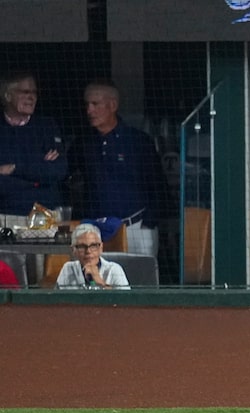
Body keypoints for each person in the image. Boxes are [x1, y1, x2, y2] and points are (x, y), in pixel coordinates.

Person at [76, 80, 168, 257]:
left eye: (95, 104)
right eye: (87, 105)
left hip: (136, 228)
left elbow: (157, 184)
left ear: (112, 105)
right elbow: (68, 174)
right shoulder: (84, 143)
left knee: (141, 283)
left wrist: (149, 222)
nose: (89, 111)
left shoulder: (138, 141)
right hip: (96, 231)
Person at [0, 72, 67, 223]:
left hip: (44, 216)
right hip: (4, 216)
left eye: (34, 92)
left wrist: (13, 169)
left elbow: (57, 171)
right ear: (8, 96)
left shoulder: (47, 126)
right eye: (25, 92)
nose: (32, 97)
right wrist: (36, 178)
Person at [56, 222, 129, 289]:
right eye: (82, 246)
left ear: (101, 248)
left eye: (93, 245)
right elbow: (57, 300)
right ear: (73, 250)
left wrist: (100, 281)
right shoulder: (68, 268)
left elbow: (127, 301)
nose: (88, 251)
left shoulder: (114, 269)